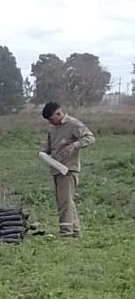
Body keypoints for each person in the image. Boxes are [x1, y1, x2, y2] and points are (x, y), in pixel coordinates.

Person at [41, 101, 95, 238]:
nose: (50, 122)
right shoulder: (52, 128)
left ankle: (66, 233)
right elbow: (50, 147)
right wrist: (45, 155)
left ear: (58, 113)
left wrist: (74, 145)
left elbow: (90, 137)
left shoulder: (73, 124)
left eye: (52, 119)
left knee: (64, 202)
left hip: (68, 169)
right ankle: (75, 231)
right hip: (56, 168)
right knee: (66, 200)